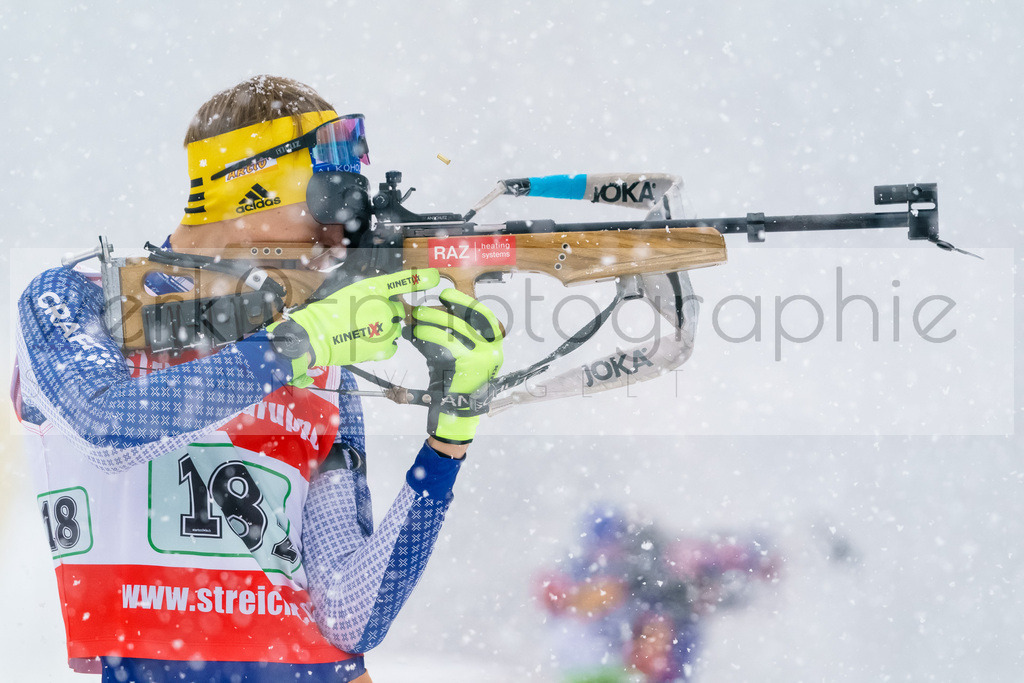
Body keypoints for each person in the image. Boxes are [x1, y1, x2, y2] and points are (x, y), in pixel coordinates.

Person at [11, 75, 503, 682]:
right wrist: (295, 344)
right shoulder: (75, 300)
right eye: (327, 196)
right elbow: (108, 426)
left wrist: (453, 429)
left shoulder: (318, 352)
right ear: (250, 190)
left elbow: (350, 614)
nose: (338, 234)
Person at [537, 505, 779, 682]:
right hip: (624, 644)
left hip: (665, 626)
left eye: (610, 544)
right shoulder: (592, 574)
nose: (606, 552)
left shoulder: (653, 560)